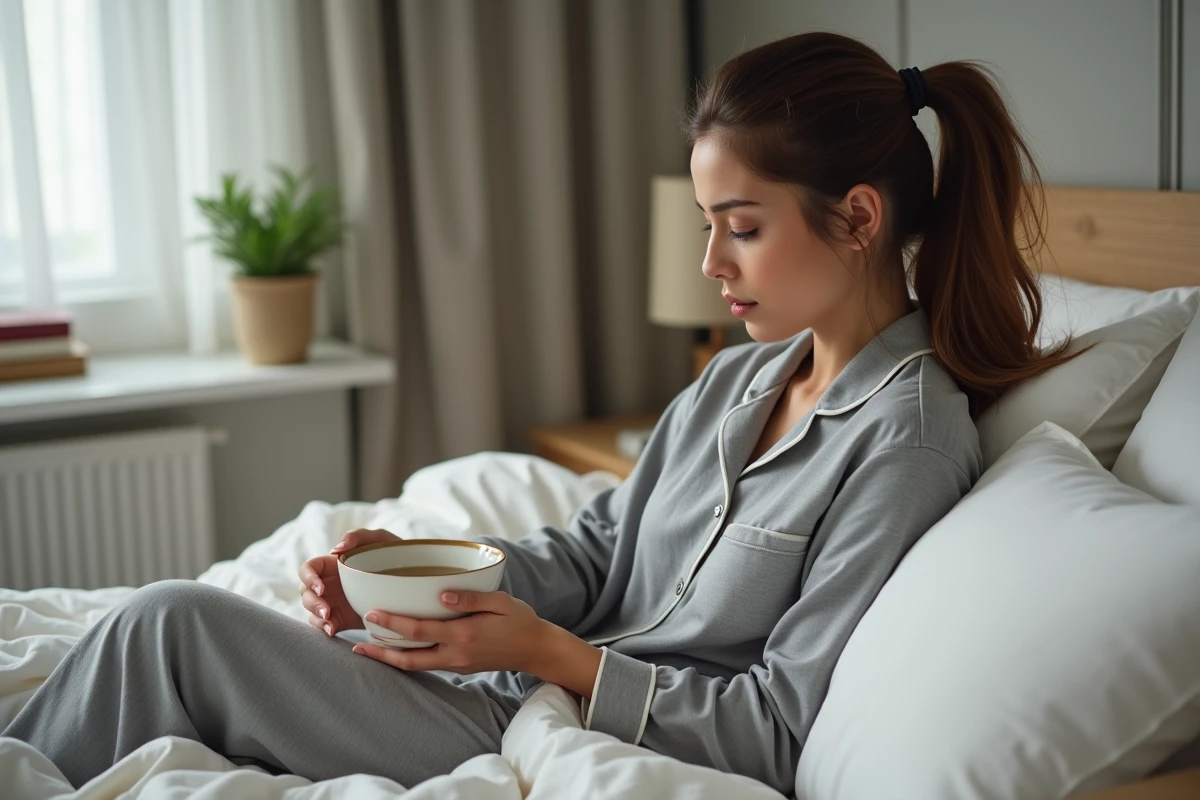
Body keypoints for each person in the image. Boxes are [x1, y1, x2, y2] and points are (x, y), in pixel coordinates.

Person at [4, 31, 1074, 796]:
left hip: (554, 722)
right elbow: (599, 543)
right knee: (162, 623)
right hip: (509, 676)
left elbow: (780, 724)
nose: (710, 264)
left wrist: (558, 656)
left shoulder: (908, 440)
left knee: (170, 622)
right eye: (707, 224)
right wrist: (436, 573)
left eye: (739, 228)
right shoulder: (733, 380)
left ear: (857, 217)